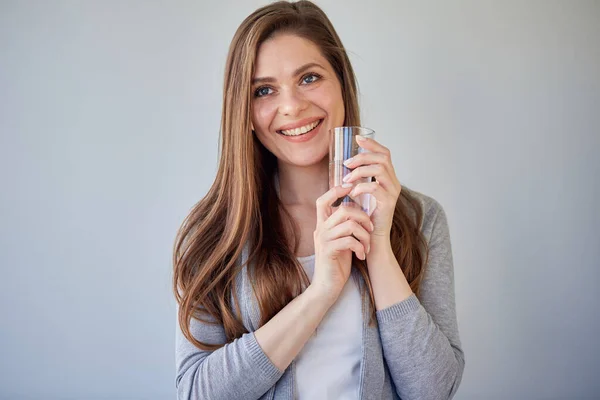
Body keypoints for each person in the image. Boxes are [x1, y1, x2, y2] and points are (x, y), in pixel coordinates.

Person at [173, 1, 465, 399]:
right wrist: (321, 290)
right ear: (244, 111)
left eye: (309, 78)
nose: (292, 106)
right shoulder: (213, 234)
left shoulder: (419, 218)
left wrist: (378, 246)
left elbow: (434, 391)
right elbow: (196, 393)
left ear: (342, 83)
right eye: (264, 90)